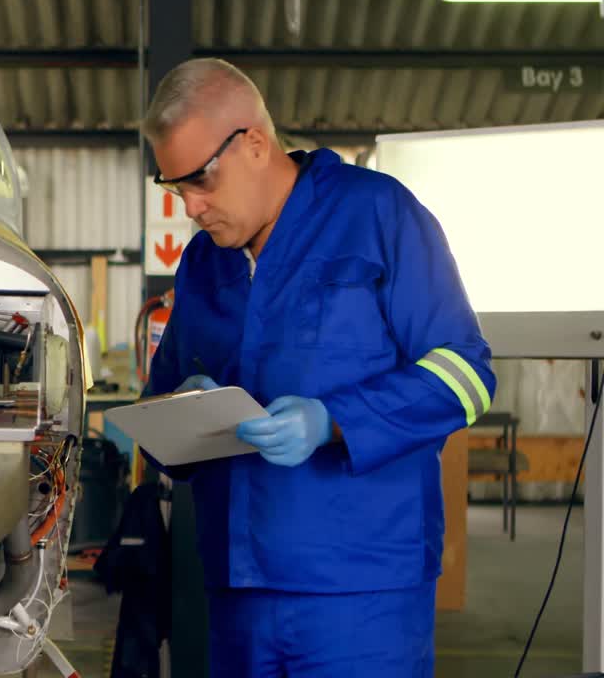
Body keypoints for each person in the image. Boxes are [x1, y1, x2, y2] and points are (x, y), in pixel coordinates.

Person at [141, 58, 495, 678]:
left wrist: (334, 421)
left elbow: (467, 374)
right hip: (239, 589)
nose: (190, 208)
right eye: (174, 188)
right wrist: (186, 409)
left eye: (200, 181)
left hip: (361, 596)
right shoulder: (204, 264)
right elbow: (164, 406)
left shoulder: (378, 215)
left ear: (253, 144)